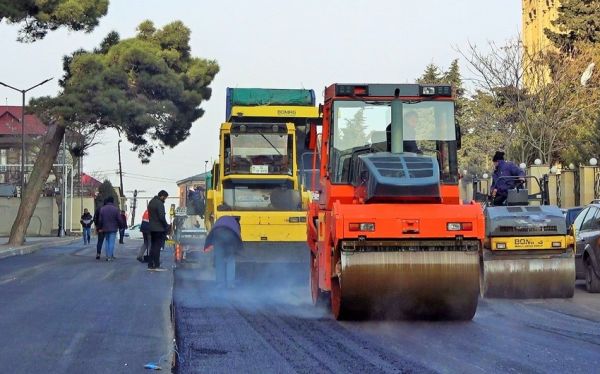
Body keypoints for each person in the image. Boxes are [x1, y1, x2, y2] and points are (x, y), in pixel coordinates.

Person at [203, 216, 243, 288]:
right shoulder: (235, 223)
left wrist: (207, 245)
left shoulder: (220, 220)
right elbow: (238, 236)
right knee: (230, 260)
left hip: (218, 236)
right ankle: (230, 284)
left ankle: (220, 284)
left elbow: (212, 233)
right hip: (230, 237)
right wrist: (238, 249)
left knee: (219, 261)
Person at [97, 196, 126, 261]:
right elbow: (119, 219)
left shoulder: (102, 209)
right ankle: (109, 256)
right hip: (113, 228)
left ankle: (107, 255)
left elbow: (100, 220)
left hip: (105, 228)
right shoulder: (115, 209)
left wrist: (99, 228)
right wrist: (121, 226)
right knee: (111, 242)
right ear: (112, 201)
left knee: (107, 241)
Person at [148, 190, 170, 271]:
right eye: (165, 198)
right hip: (159, 228)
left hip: (152, 228)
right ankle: (157, 265)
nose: (165, 200)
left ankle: (150, 264)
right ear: (162, 196)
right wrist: (166, 226)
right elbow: (161, 217)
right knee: (157, 247)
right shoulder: (159, 203)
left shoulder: (151, 202)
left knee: (153, 247)